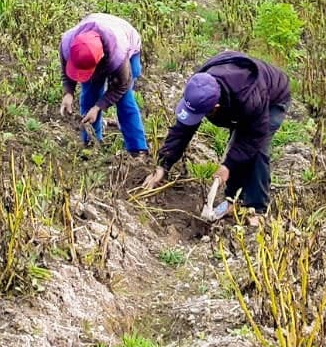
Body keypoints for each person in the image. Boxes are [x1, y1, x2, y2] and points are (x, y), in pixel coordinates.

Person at [140, 51, 291, 214]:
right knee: (237, 148)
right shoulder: (199, 87)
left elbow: (253, 137)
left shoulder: (249, 98)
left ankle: (256, 207)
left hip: (273, 98)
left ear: (216, 107)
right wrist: (164, 164)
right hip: (238, 100)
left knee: (257, 151)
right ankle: (233, 199)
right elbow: (183, 129)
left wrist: (228, 165)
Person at [58, 13, 148, 155]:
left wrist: (99, 107)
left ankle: (137, 149)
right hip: (98, 42)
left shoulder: (118, 56)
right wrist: (68, 92)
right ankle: (91, 144)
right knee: (89, 96)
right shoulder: (68, 45)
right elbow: (66, 71)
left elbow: (120, 87)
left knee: (125, 101)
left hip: (128, 43)